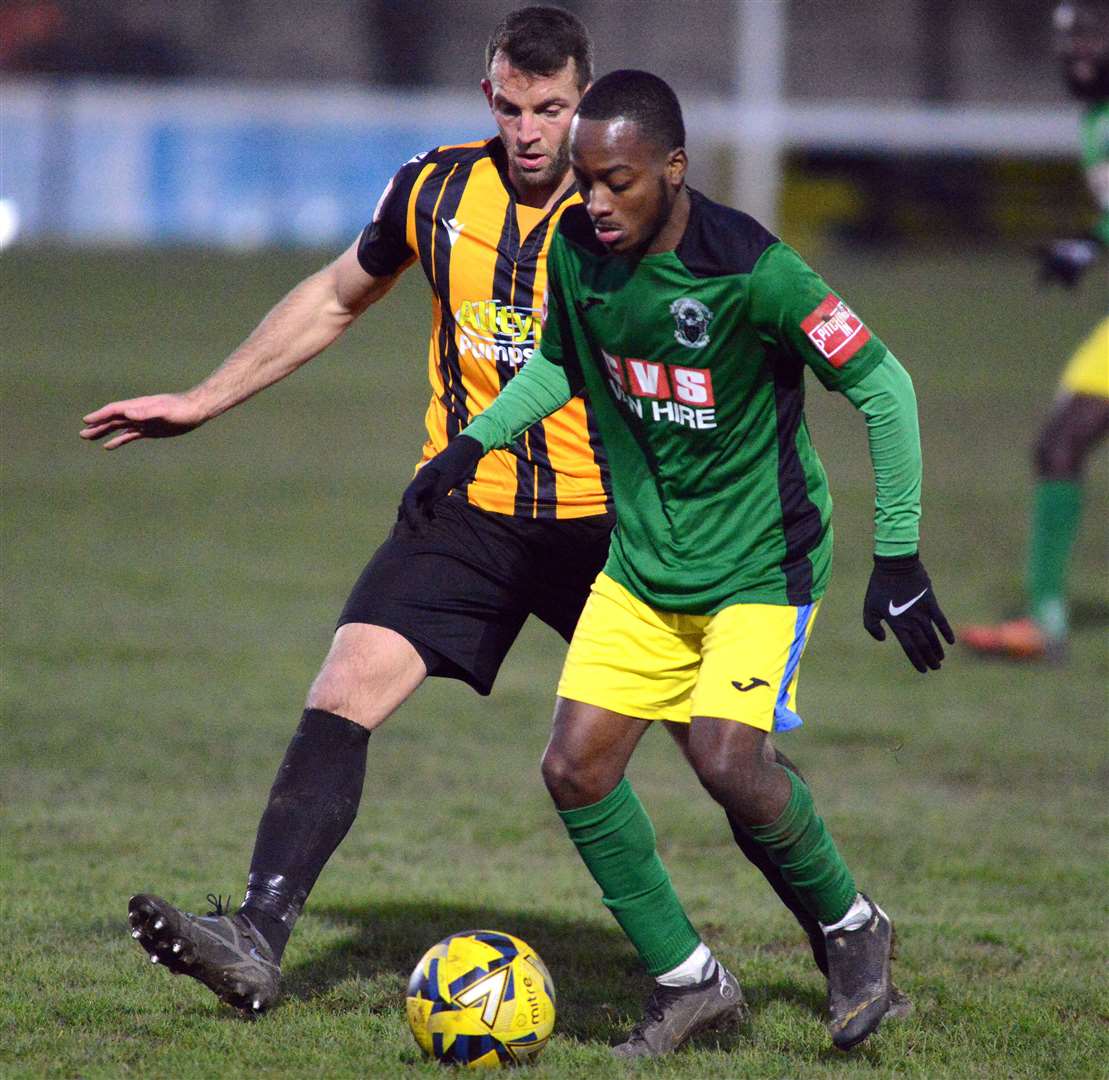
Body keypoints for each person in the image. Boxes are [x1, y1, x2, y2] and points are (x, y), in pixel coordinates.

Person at [80, 7, 829, 1017]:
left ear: (586, 103)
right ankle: (256, 935)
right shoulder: (432, 191)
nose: (529, 131)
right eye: (511, 107)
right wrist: (205, 398)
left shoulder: (628, 214)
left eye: (552, 109)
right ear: (488, 99)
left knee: (721, 754)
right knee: (346, 684)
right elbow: (336, 296)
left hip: (620, 529)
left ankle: (840, 933)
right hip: (467, 507)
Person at [404, 69, 951, 1056]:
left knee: (724, 757)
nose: (594, 202)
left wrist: (899, 552)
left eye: (616, 181)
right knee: (573, 768)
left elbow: (885, 386)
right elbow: (560, 364)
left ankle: (850, 928)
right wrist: (473, 443)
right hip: (645, 566)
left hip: (758, 565)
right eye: (583, 181)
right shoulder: (576, 252)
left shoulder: (752, 269)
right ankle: (690, 982)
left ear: (672, 167)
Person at [961, 0, 1109, 661]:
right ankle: (1043, 624)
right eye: (1070, 39)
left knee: (1061, 443)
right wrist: (1087, 244)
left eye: (1092, 37)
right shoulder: (1093, 119)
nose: (1078, 51)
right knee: (1058, 445)